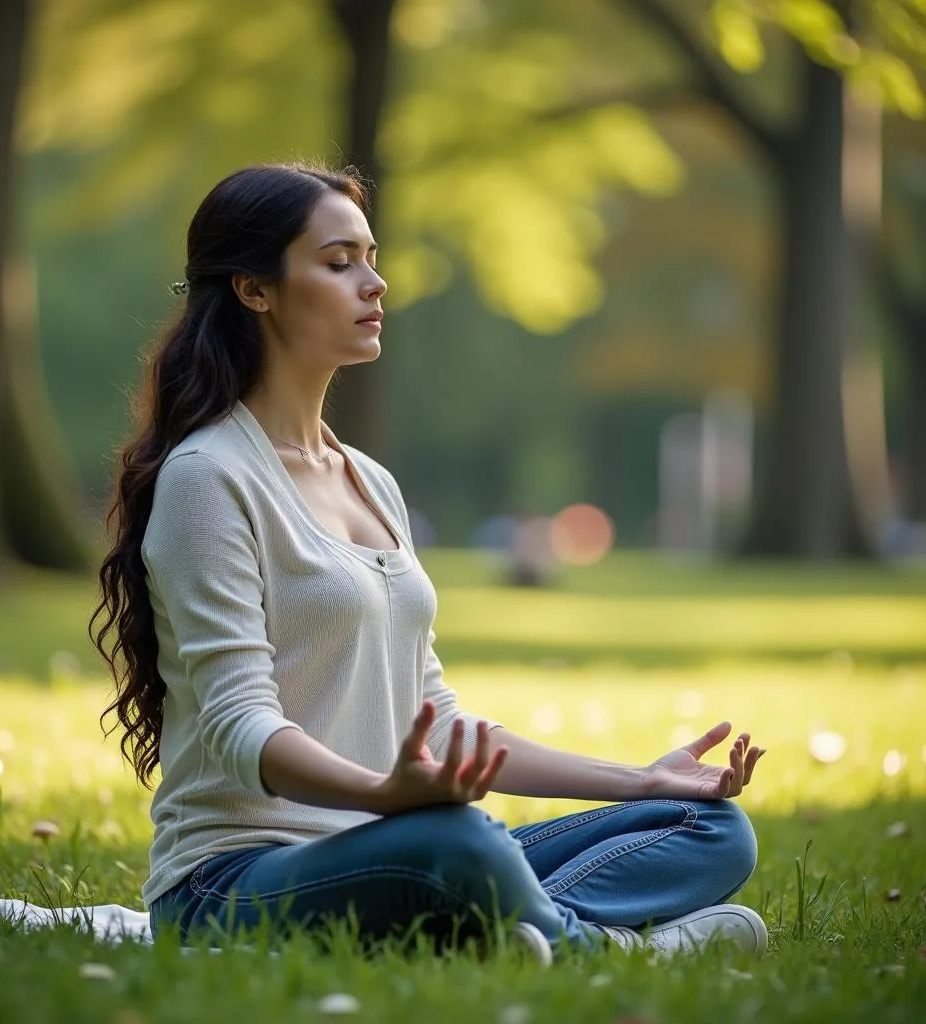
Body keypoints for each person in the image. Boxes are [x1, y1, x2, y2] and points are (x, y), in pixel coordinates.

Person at [90, 162, 768, 964]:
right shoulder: (209, 478)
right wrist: (384, 796)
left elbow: (438, 719)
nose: (374, 285)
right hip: (234, 885)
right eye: (339, 262)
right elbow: (243, 727)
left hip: (392, 848)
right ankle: (609, 947)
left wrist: (640, 780)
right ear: (255, 289)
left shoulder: (369, 481)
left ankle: (504, 931)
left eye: (371, 259)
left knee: (711, 827)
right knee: (458, 843)